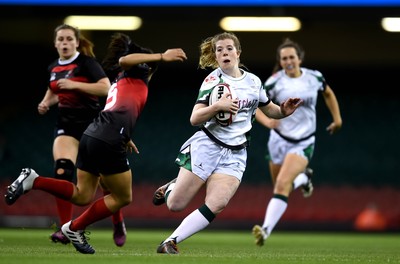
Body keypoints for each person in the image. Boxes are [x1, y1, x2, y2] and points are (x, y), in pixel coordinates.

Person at [5, 32, 187, 254]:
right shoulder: (138, 73)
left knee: (82, 194)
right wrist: (161, 56)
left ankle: (35, 180)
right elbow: (124, 60)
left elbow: (115, 106)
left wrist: (125, 136)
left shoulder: (122, 81)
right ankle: (74, 227)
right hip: (108, 136)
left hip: (93, 133)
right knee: (122, 197)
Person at [152, 32, 302, 254]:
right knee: (175, 205)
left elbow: (268, 108)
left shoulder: (253, 82)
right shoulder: (213, 81)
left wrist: (283, 111)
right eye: (219, 50)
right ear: (216, 56)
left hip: (236, 153)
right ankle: (171, 188)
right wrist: (216, 107)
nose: (224, 52)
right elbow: (194, 118)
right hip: (208, 145)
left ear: (238, 53)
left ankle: (170, 241)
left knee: (218, 203)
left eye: (229, 48)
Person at [37, 24, 128, 246]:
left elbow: (106, 88)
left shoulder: (87, 64)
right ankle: (65, 227)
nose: (65, 43)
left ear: (77, 42)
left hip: (93, 128)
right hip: (66, 126)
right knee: (62, 170)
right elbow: (54, 89)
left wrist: (74, 86)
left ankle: (118, 221)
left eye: (69, 39)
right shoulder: (53, 66)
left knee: (107, 184)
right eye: (61, 39)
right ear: (55, 43)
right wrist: (46, 102)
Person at [252, 38, 342, 246]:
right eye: (284, 58)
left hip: (303, 142)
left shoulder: (314, 77)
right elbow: (254, 104)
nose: (288, 61)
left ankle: (264, 230)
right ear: (280, 61)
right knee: (281, 186)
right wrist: (267, 121)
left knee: (282, 186)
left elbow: (328, 94)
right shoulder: (274, 81)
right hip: (278, 140)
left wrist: (337, 119)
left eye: (292, 56)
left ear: (299, 58)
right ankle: (304, 179)